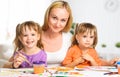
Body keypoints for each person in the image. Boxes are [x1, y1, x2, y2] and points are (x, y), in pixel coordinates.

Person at [41, 0, 73, 67]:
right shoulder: (34, 35)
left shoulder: (69, 38)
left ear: (67, 21)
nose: (58, 24)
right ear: (47, 16)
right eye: (54, 18)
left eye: (63, 20)